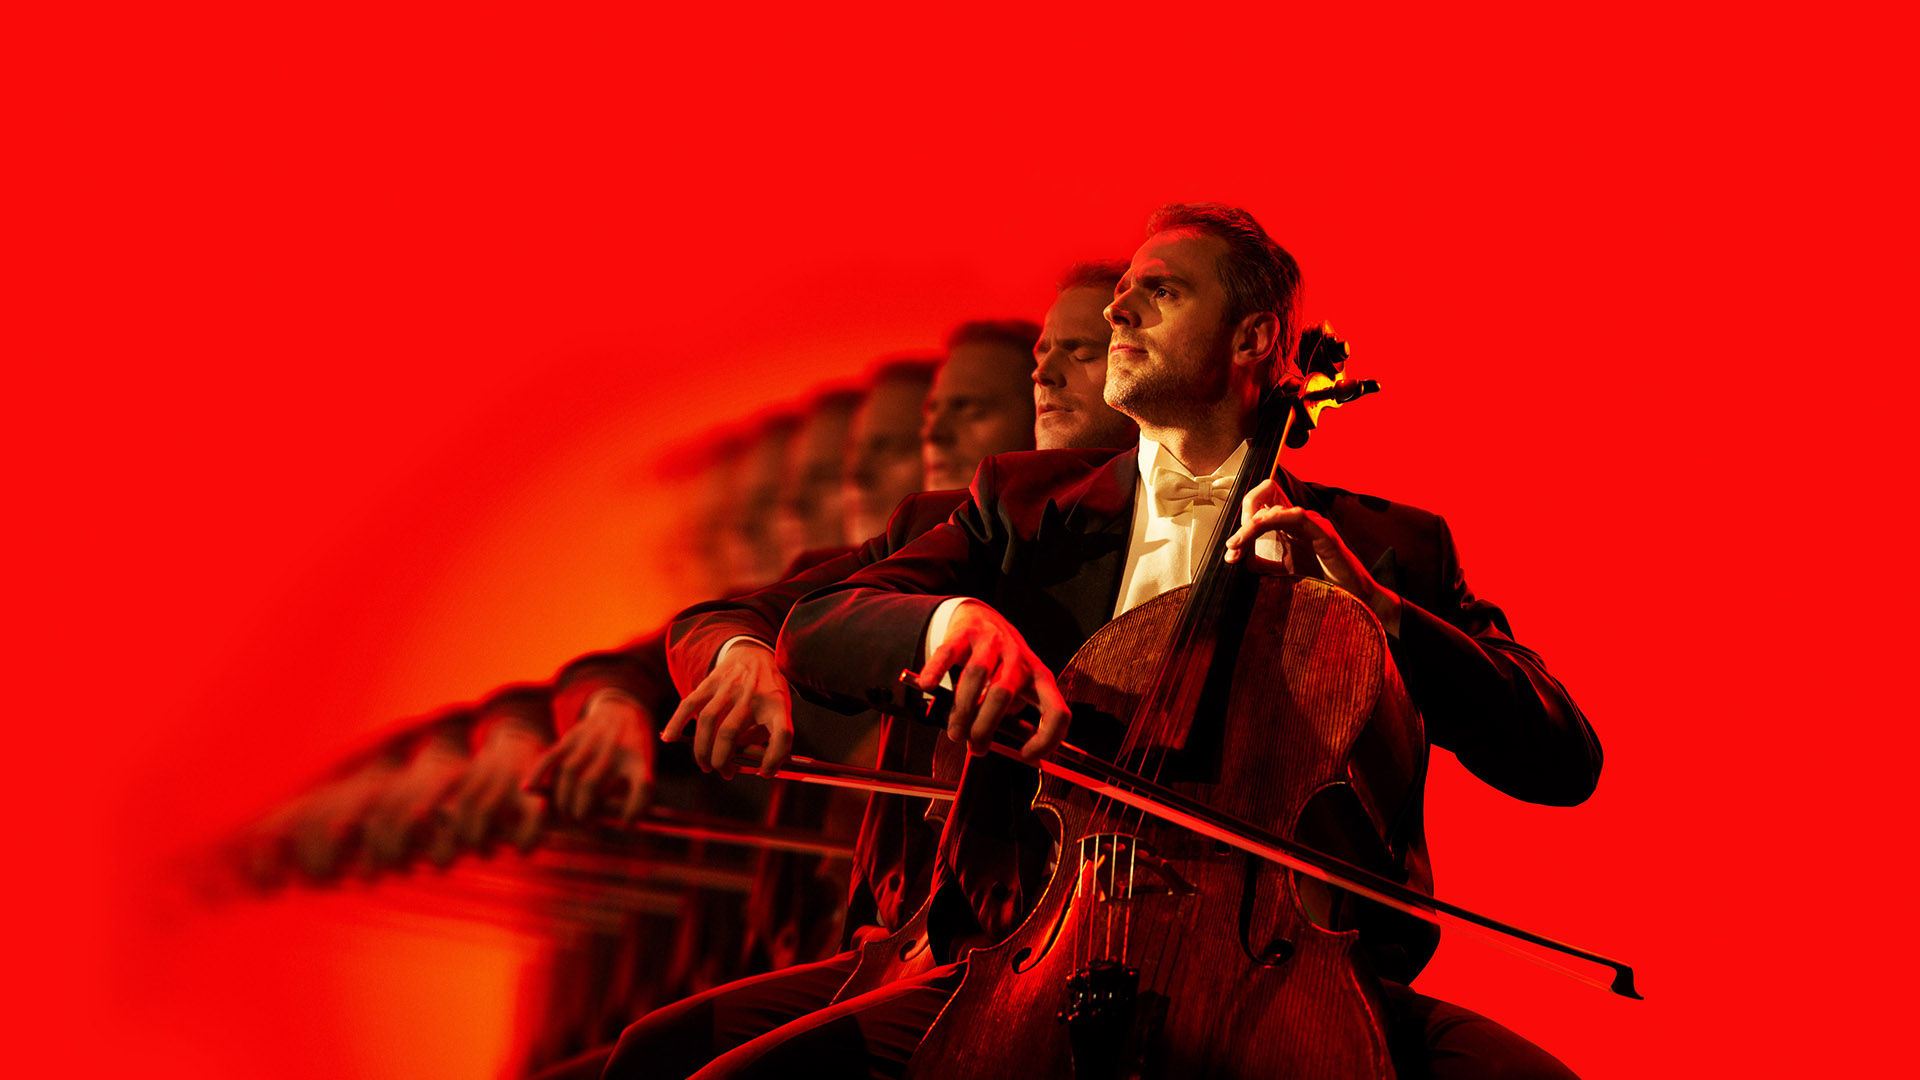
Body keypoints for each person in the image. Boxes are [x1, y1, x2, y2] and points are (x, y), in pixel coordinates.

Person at [761, 204, 1599, 1080]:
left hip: (1286, 982)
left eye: (1159, 292)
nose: (1117, 310)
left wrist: (1380, 611)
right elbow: (817, 625)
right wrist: (951, 619)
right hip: (1027, 962)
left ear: (1254, 338)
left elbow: (1563, 759)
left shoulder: (1392, 547)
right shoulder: (1021, 508)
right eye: (1122, 291)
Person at [594, 287, 1138, 1080]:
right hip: (909, 946)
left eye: (1080, 352)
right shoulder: (931, 529)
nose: (1046, 377)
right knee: (656, 1052)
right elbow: (746, 617)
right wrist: (740, 651)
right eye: (1038, 361)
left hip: (1055, 944)